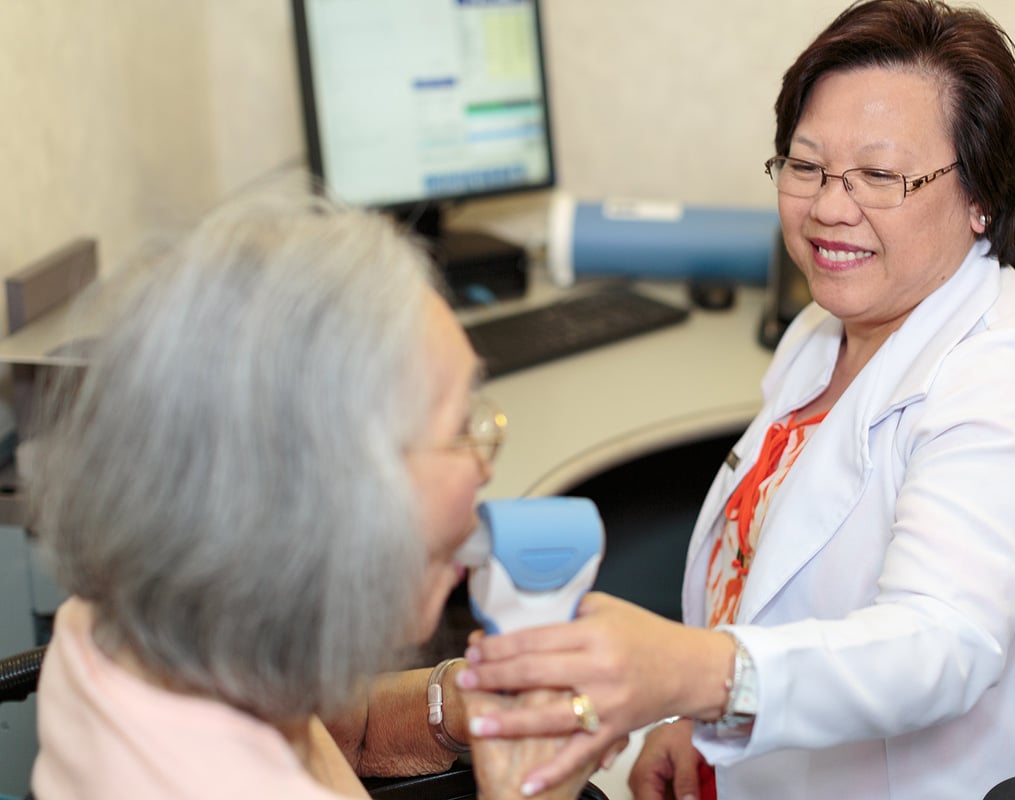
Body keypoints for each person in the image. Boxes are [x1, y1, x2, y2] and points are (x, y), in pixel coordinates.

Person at [455, 1, 1015, 798]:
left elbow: (936, 650)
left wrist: (694, 676)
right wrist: (700, 723)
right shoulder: (828, 327)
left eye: (880, 175)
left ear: (981, 195)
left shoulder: (1009, 386)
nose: (829, 207)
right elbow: (766, 568)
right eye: (804, 166)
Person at [24, 196, 594, 799]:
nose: (483, 465)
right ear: (335, 503)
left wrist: (454, 706)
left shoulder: (106, 633)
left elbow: (337, 737)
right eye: (459, 430)